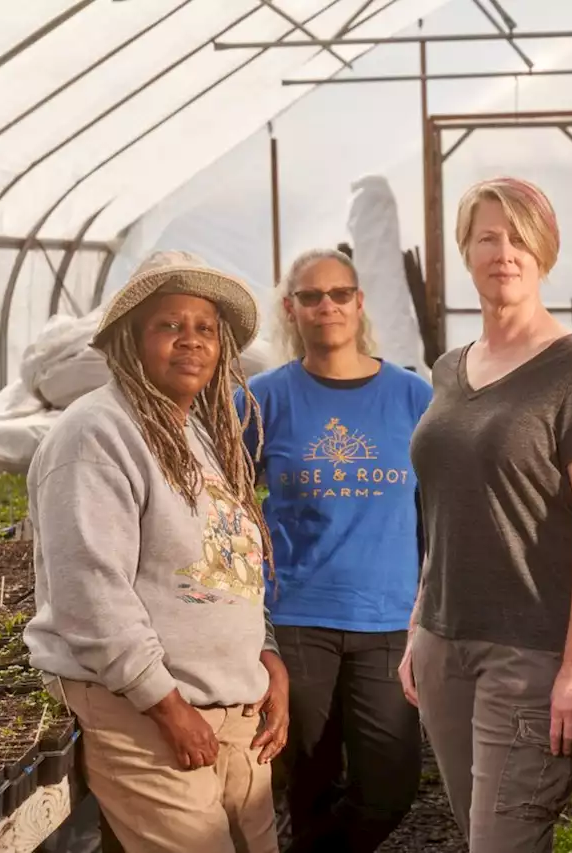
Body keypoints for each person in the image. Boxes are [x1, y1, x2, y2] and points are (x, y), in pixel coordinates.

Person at [24, 250, 290, 853]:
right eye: (169, 325)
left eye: (205, 328)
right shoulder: (97, 434)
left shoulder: (197, 429)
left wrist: (266, 656)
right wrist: (166, 707)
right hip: (149, 715)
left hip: (231, 709)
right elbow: (90, 593)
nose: (191, 341)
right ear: (129, 341)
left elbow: (228, 561)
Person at [405, 177, 572, 853]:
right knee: (481, 835)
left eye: (519, 237)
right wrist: (420, 620)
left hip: (530, 651)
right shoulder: (450, 368)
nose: (504, 252)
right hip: (444, 645)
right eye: (487, 236)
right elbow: (448, 505)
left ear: (546, 253)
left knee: (503, 840)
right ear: (465, 252)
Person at [241, 248, 430, 852]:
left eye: (339, 293)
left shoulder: (411, 395)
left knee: (389, 785)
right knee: (309, 783)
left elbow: (440, 508)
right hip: (297, 616)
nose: (327, 306)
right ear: (291, 309)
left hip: (389, 618)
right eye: (311, 296)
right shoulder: (263, 398)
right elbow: (227, 503)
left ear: (358, 302)